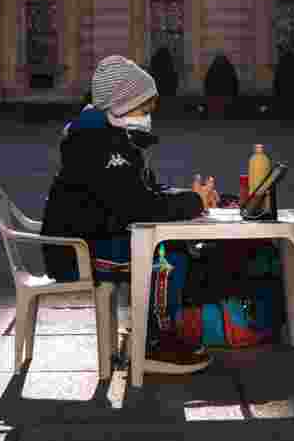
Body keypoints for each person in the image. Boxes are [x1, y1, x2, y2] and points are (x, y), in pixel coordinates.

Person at [41, 55, 220, 375]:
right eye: (144, 109)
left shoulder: (108, 134)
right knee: (166, 258)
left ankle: (150, 331)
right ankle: (156, 346)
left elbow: (141, 193)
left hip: (91, 238)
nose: (148, 117)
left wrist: (191, 198)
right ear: (121, 103)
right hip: (78, 250)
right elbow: (135, 207)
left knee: (168, 247)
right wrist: (191, 204)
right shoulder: (98, 141)